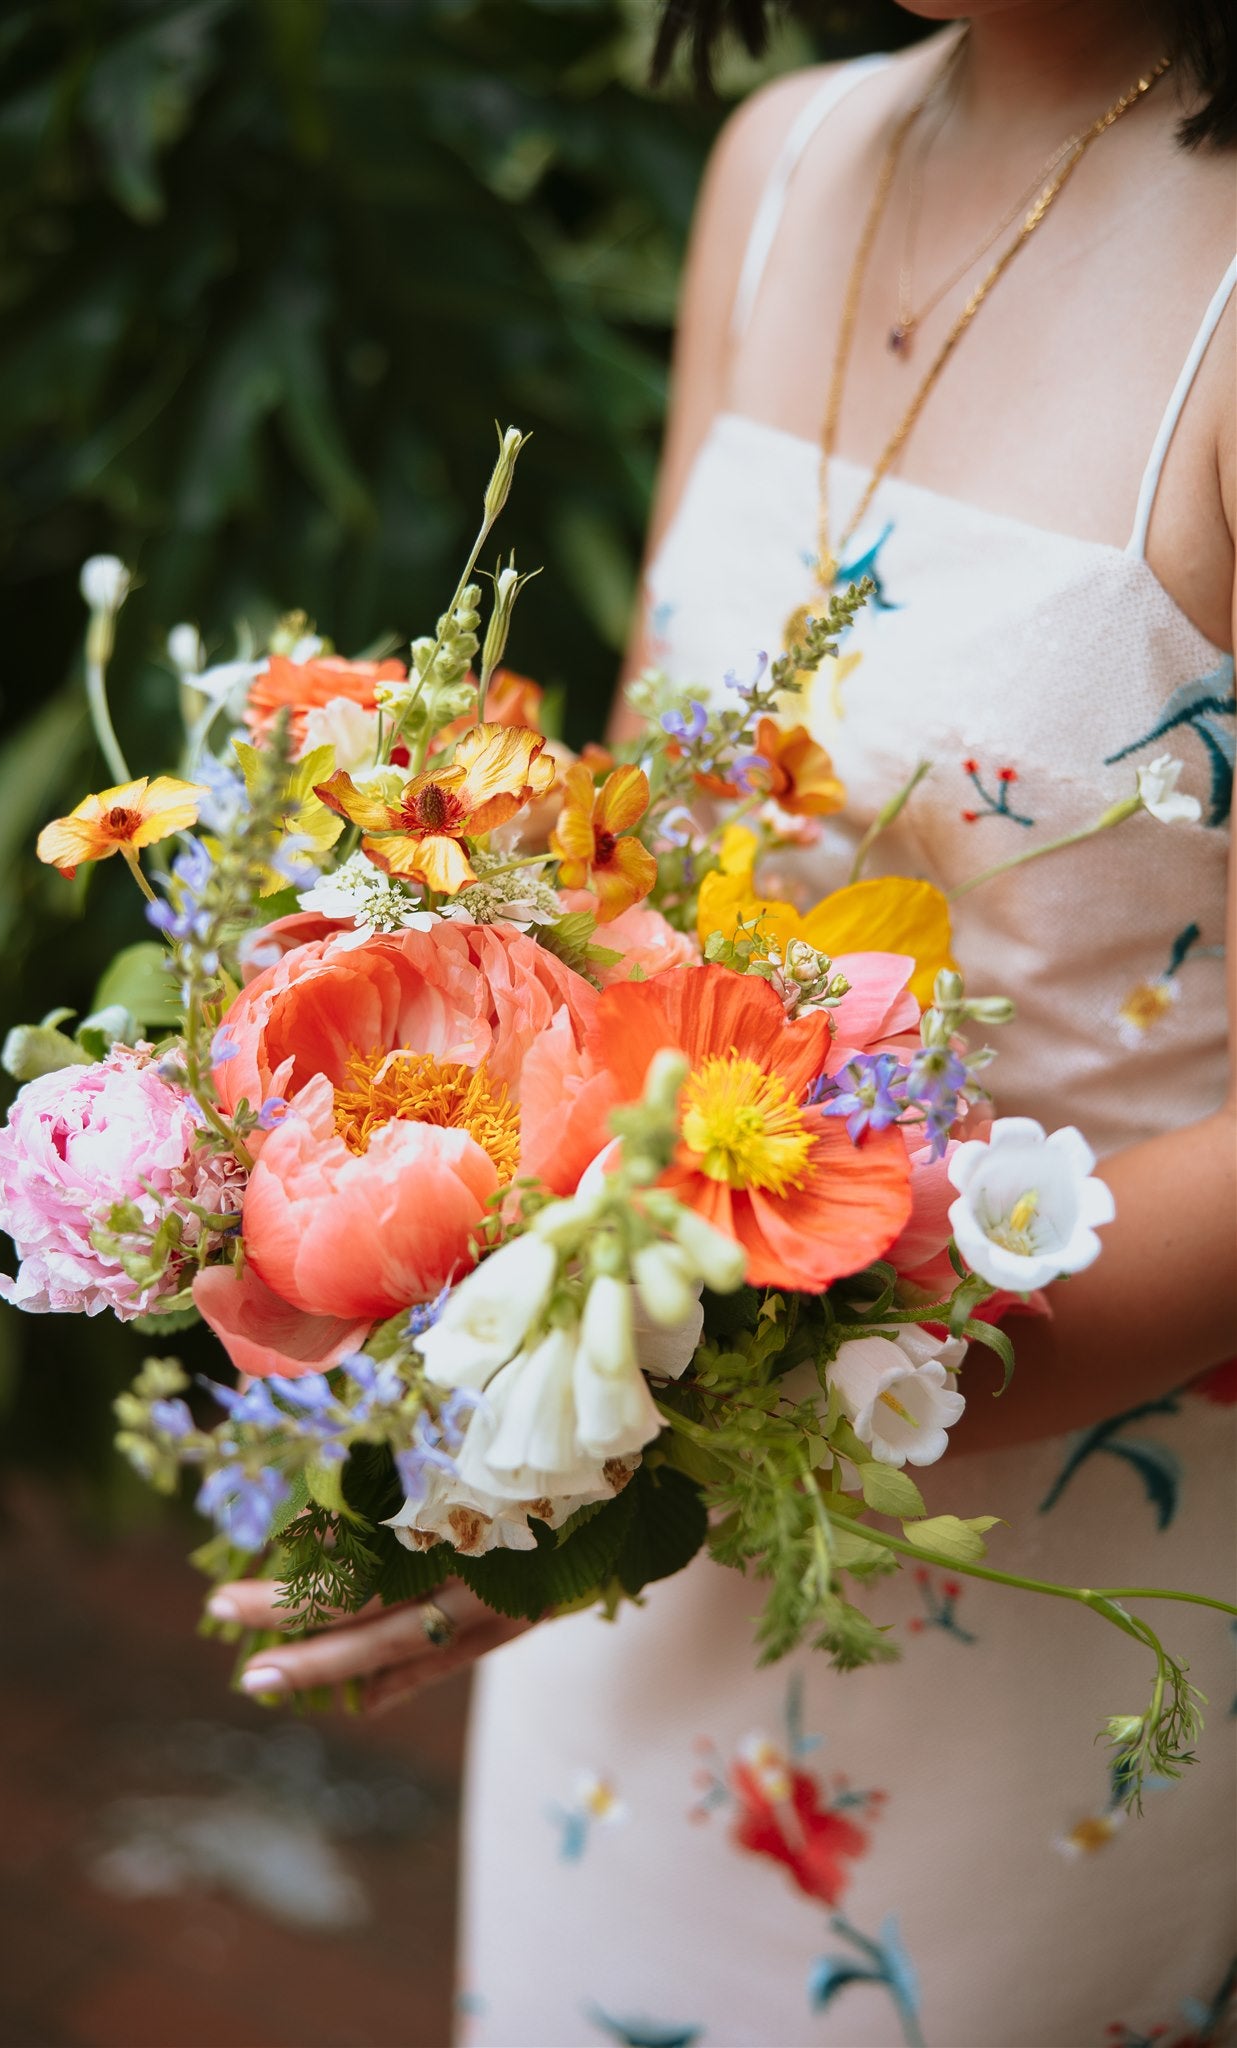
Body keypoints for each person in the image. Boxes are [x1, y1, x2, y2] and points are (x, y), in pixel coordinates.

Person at [214, 3, 1237, 2039]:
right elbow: (634, 855)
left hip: (1044, 1550)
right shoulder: (775, 172)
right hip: (638, 1472)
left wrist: (661, 1429)